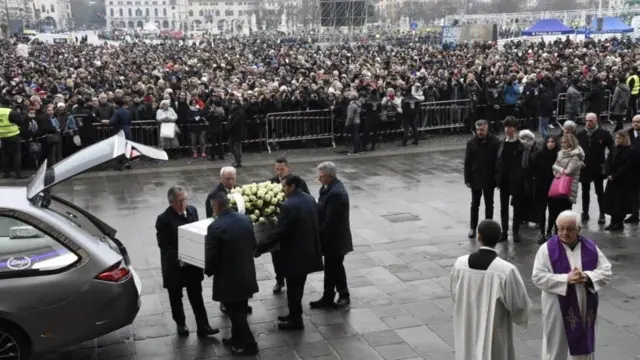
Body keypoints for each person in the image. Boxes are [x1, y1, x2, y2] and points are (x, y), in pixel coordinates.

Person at [532, 210, 612, 360]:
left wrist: (587, 276)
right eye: (560, 228)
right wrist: (566, 279)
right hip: (556, 307)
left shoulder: (590, 248)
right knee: (557, 345)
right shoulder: (547, 250)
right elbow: (537, 277)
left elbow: (606, 272)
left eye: (569, 229)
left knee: (582, 347)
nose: (564, 233)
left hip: (583, 304)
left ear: (579, 230)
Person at [450, 220, 530, 360]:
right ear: (499, 238)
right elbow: (519, 305)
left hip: (466, 324)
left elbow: (455, 294)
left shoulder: (460, 264)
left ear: (479, 236)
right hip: (494, 330)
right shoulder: (505, 270)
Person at [255, 175, 324, 330]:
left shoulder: (289, 205)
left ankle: (296, 320)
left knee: (293, 289)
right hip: (309, 250)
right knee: (299, 286)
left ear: (292, 186)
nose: (282, 188)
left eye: (284, 186)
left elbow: (280, 232)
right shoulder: (309, 199)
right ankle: (294, 314)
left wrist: (260, 248)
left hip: (295, 254)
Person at [155, 186, 219, 338]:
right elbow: (164, 245)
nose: (184, 203)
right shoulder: (163, 219)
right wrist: (180, 256)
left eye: (185, 199)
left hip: (192, 265)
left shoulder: (192, 210)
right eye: (180, 200)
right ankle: (181, 323)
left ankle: (203, 326)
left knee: (196, 295)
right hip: (175, 266)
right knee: (176, 297)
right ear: (172, 202)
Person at [205, 192, 259, 356]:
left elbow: (212, 255)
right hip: (246, 273)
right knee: (240, 309)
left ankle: (249, 344)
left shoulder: (215, 227)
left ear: (216, 207)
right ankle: (236, 338)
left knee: (236, 314)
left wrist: (208, 270)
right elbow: (253, 244)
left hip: (228, 278)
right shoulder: (245, 219)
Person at [312, 161, 353, 309]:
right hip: (331, 239)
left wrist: (315, 232)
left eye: (322, 176)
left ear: (331, 176)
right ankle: (328, 296)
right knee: (331, 268)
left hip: (335, 239)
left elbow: (331, 222)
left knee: (335, 267)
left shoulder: (336, 193)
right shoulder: (328, 187)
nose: (319, 179)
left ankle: (343, 295)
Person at [268, 157, 310, 294]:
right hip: (278, 222)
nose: (279, 172)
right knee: (276, 255)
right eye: (277, 169)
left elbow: (306, 198)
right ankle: (279, 279)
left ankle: (291, 278)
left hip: (292, 223)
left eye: (282, 169)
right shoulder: (272, 182)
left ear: (288, 168)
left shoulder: (298, 182)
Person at [464, 119, 499, 238]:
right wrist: (467, 179)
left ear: (487, 128)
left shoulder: (495, 141)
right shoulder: (471, 143)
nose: (480, 132)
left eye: (482, 129)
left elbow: (498, 162)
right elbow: (467, 162)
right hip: (476, 178)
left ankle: (488, 227)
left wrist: (497, 177)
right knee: (475, 204)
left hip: (489, 177)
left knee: (489, 204)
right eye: (478, 129)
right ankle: (473, 228)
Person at [576, 113, 614, 224]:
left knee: (599, 191)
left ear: (596, 121)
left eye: (591, 121)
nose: (588, 123)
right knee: (585, 191)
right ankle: (585, 212)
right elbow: (576, 150)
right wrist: (579, 161)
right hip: (584, 167)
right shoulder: (581, 134)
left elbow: (612, 148)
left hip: (598, 166)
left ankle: (602, 213)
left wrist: (607, 163)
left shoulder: (604, 133)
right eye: (587, 120)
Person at [495, 116, 526, 243]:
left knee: (517, 206)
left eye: (512, 127)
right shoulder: (501, 144)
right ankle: (504, 231)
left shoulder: (521, 145)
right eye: (507, 127)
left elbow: (524, 163)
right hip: (504, 179)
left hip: (517, 180)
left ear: (515, 128)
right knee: (504, 207)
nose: (509, 129)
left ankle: (515, 231)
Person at [548, 134, 584, 235]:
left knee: (565, 213)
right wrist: (557, 171)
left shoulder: (576, 156)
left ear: (570, 143)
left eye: (565, 142)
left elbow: (568, 171)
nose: (562, 144)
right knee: (555, 212)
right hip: (558, 185)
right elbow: (555, 167)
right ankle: (556, 233)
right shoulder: (561, 153)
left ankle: (566, 233)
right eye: (562, 142)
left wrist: (557, 169)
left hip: (568, 188)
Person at [531, 136, 560, 244]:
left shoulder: (558, 156)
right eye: (548, 141)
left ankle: (549, 231)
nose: (550, 144)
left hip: (554, 186)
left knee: (553, 211)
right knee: (541, 210)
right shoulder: (539, 155)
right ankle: (542, 232)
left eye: (553, 141)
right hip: (541, 186)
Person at [603, 130, 633, 231]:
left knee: (620, 202)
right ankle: (612, 221)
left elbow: (626, 166)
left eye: (620, 138)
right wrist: (608, 173)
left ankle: (619, 222)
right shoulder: (613, 148)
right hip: (611, 180)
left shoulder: (628, 150)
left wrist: (615, 175)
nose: (617, 140)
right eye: (616, 138)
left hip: (622, 180)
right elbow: (608, 162)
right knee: (611, 200)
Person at [0, 97, 24, 179]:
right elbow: (21, 122)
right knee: (17, 155)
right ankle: (18, 174)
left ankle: (5, 173)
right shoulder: (11, 112)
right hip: (13, 136)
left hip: (2, 136)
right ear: (9, 104)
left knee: (5, 155)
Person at [625, 114, 640, 223]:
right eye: (634, 121)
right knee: (633, 192)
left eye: (638, 122)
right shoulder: (628, 134)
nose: (635, 124)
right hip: (631, 168)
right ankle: (635, 214)